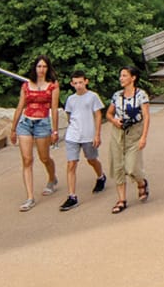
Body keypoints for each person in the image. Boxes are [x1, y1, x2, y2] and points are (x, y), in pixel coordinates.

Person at [11, 56, 59, 211]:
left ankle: (52, 178)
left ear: (48, 68)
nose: (41, 69)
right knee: (27, 159)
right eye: (39, 66)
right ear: (35, 68)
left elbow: (54, 109)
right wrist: (13, 128)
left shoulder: (52, 86)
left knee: (44, 157)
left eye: (44, 66)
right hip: (26, 123)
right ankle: (30, 197)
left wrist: (55, 130)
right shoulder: (26, 85)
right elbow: (20, 106)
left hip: (43, 123)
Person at [56, 69, 107, 211]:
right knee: (71, 164)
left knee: (91, 159)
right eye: (75, 83)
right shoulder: (71, 99)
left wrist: (97, 134)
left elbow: (97, 115)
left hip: (88, 135)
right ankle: (72, 196)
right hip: (73, 135)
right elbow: (70, 115)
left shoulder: (92, 97)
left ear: (86, 81)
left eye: (81, 82)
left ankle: (100, 176)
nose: (78, 85)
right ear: (72, 84)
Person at [105, 66, 151, 212]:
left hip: (134, 131)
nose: (121, 78)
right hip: (118, 133)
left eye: (124, 75)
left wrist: (143, 137)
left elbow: (146, 116)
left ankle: (141, 182)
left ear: (133, 78)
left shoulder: (141, 95)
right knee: (118, 166)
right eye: (121, 76)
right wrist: (114, 121)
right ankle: (121, 200)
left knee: (131, 167)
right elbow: (109, 114)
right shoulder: (117, 95)